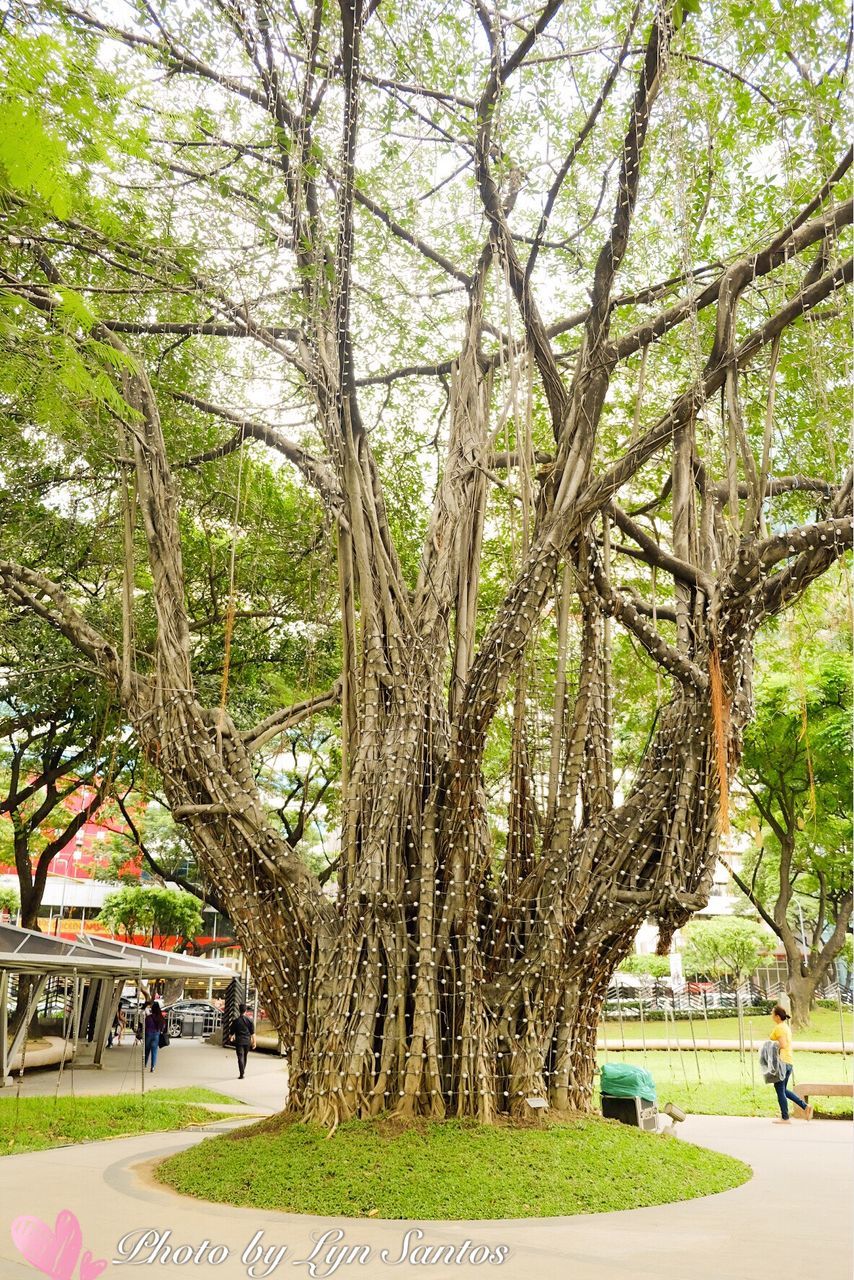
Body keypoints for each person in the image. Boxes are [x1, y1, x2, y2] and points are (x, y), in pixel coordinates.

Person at [769, 1004, 813, 1124]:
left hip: (781, 1062)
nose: (771, 1015)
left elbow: (782, 1045)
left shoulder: (779, 1028)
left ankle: (785, 1117)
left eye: (772, 1013)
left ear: (777, 1016)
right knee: (782, 1089)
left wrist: (770, 1047)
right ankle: (805, 1106)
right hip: (788, 1061)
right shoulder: (786, 1027)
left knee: (779, 1090)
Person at [229, 1003, 256, 1079]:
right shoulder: (249, 1021)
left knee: (240, 1057)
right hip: (247, 1041)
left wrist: (231, 1038)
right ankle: (243, 1071)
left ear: (239, 1010)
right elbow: (253, 1033)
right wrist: (254, 1042)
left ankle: (241, 1073)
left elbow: (231, 1034)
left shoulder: (236, 1021)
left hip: (239, 1041)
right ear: (246, 1011)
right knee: (245, 1056)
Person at [144, 1001, 166, 1073]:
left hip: (148, 1035)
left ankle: (144, 1065)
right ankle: (152, 1067)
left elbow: (145, 1026)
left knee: (147, 1050)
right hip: (156, 1035)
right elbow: (163, 1026)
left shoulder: (148, 1017)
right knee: (154, 1052)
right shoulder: (160, 1018)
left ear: (152, 1009)